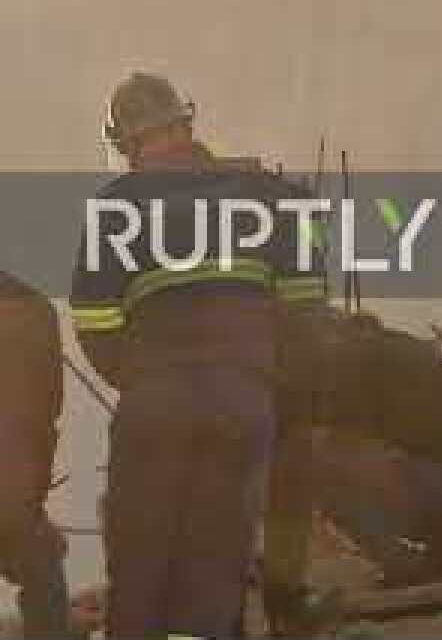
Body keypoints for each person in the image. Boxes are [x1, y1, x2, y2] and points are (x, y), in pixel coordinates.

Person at [69, 71, 326, 638]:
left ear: (125, 145)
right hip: (244, 400)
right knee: (216, 568)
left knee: (141, 568)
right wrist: (266, 381)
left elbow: (93, 322)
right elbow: (308, 315)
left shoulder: (114, 208)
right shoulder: (268, 195)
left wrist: (142, 381)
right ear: (186, 123)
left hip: (155, 402)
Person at [311, 312, 442, 588]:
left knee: (320, 467)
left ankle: (407, 568)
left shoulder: (353, 357)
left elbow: (340, 442)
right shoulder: (399, 349)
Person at [0, 272, 74, 638]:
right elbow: (49, 412)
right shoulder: (37, 313)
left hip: (14, 494)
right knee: (44, 568)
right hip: (16, 497)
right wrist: (33, 494)